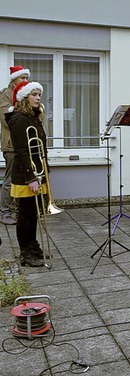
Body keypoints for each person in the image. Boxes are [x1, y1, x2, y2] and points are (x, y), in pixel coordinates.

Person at [4, 81, 48, 267]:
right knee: (25, 214)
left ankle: (33, 245)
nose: (38, 98)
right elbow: (21, 151)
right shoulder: (20, 119)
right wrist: (30, 177)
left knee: (33, 213)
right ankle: (25, 253)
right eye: (34, 94)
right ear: (24, 97)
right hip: (26, 175)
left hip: (37, 171)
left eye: (39, 94)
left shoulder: (33, 117)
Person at [0, 66, 31, 225]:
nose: (26, 81)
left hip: (26, 144)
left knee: (26, 179)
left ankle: (22, 212)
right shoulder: (4, 94)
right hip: (11, 144)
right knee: (11, 179)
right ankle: (5, 213)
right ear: (14, 79)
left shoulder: (27, 93)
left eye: (27, 78)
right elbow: (7, 120)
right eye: (22, 78)